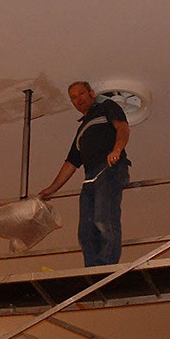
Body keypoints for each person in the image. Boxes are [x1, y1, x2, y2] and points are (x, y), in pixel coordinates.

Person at [39, 81, 131, 266]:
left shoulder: (106, 107)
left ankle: (106, 266)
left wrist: (117, 150)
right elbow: (71, 163)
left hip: (109, 169)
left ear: (91, 93)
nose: (78, 99)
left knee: (104, 219)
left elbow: (123, 128)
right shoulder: (81, 131)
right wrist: (51, 189)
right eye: (73, 97)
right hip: (90, 179)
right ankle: (92, 269)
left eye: (81, 93)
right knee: (85, 231)